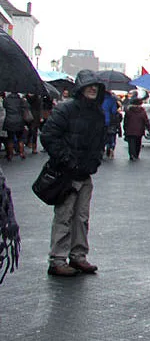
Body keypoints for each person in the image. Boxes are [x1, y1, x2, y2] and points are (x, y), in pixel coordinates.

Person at [39, 70, 108, 277]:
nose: (93, 89)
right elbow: (49, 136)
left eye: (95, 86)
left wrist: (94, 161)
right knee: (64, 216)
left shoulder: (97, 113)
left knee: (81, 217)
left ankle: (78, 256)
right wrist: (67, 160)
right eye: (89, 86)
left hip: (84, 173)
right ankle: (58, 258)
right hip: (66, 173)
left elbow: (99, 141)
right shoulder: (66, 109)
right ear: (81, 88)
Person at [3, 92, 27, 160]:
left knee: (10, 139)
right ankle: (22, 153)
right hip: (19, 120)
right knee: (20, 138)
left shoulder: (6, 99)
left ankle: (10, 154)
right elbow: (24, 108)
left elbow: (5, 106)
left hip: (9, 120)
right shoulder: (20, 100)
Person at [100, 91, 120, 159]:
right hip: (109, 121)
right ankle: (110, 147)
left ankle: (101, 149)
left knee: (101, 136)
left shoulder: (99, 99)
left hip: (100, 120)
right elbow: (114, 111)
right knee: (110, 135)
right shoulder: (112, 99)